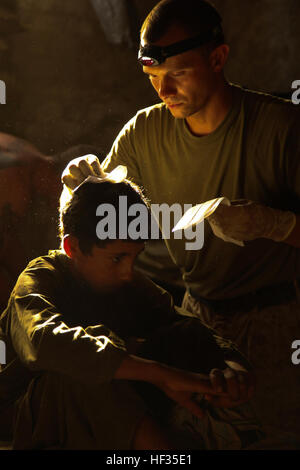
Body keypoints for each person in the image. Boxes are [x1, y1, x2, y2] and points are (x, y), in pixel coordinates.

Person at [62, 0, 300, 435]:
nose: (163, 91)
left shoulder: (282, 129)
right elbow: (93, 224)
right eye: (153, 78)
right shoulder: (144, 133)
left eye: (178, 73)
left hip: (278, 321)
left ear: (217, 58)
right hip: (197, 320)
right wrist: (75, 190)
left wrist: (274, 225)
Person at [0, 168, 261, 450]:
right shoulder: (40, 278)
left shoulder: (129, 283)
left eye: (134, 257)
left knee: (182, 336)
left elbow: (190, 327)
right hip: (28, 419)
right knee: (78, 373)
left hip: (106, 419)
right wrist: (163, 375)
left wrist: (233, 371)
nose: (128, 271)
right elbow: (44, 342)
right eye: (116, 258)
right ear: (72, 247)